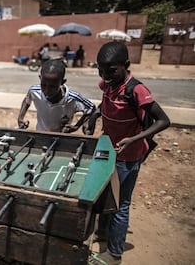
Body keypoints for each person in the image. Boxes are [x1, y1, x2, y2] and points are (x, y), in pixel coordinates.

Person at [84, 41, 170, 265]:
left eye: (111, 70)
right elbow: (105, 104)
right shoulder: (107, 83)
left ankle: (114, 254)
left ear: (126, 65)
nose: (105, 74)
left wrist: (133, 139)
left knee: (120, 204)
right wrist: (94, 116)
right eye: (100, 69)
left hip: (128, 155)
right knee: (104, 193)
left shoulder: (136, 90)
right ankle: (102, 233)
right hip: (109, 150)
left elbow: (163, 120)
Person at [18, 59, 95, 133]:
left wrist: (76, 126)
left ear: (62, 82)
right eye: (43, 85)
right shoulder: (34, 91)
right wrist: (20, 118)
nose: (47, 90)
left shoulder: (72, 98)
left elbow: (91, 108)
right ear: (40, 78)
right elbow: (27, 100)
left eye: (52, 87)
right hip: (41, 134)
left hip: (61, 138)